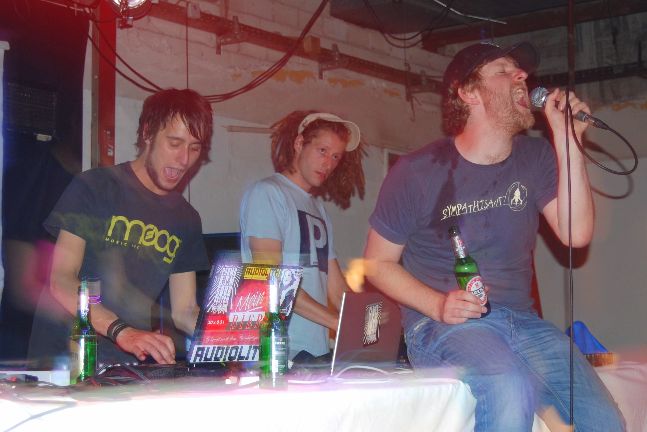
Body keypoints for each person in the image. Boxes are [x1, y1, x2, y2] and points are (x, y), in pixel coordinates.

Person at [363, 42, 625, 431]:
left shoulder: (535, 158)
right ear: (469, 93)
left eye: (520, 70)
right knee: (508, 387)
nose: (521, 75)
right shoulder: (418, 171)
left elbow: (576, 233)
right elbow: (376, 264)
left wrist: (568, 138)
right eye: (503, 70)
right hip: (443, 326)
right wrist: (438, 305)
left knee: (604, 420)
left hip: (524, 323)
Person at [28, 88, 213, 368]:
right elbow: (62, 279)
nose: (184, 159)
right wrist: (121, 331)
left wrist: (232, 334)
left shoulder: (186, 218)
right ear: (148, 133)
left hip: (126, 368)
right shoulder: (95, 187)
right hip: (64, 361)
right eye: (175, 143)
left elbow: (185, 311)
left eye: (194, 148)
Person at [240, 111, 365, 360]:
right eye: (322, 151)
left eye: (336, 156)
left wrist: (367, 318)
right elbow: (272, 279)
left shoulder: (318, 208)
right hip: (276, 351)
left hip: (314, 349)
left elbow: (335, 286)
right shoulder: (268, 193)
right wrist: (336, 321)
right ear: (299, 144)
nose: (328, 163)